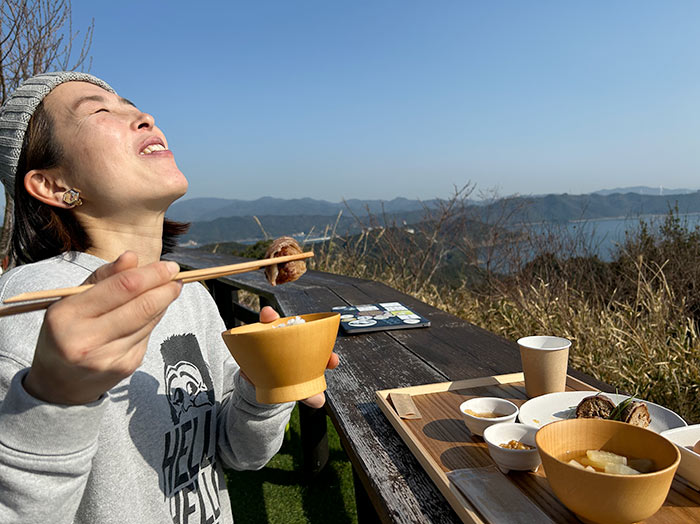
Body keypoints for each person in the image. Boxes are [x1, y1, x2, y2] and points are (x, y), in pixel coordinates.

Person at [0, 72, 338, 524]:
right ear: (54, 185)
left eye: (130, 103)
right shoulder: (28, 307)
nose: (144, 116)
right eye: (100, 109)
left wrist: (265, 387)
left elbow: (237, 453)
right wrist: (54, 398)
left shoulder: (190, 295)